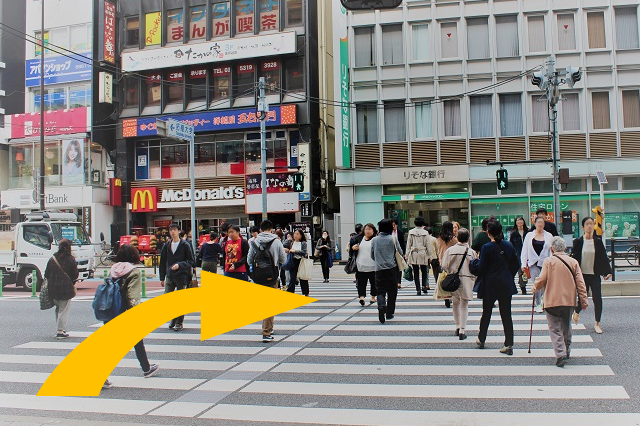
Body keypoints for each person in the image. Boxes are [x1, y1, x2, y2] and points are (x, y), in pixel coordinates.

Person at [103, 244, 160, 388]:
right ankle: (146, 369)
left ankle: (146, 368)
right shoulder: (133, 272)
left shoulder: (114, 269)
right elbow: (132, 297)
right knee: (136, 341)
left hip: (111, 311)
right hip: (125, 312)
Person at [533, 237, 589, 367]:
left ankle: (560, 354)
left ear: (551, 249)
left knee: (554, 328)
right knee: (566, 324)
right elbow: (580, 283)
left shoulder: (548, 261)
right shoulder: (573, 262)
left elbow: (541, 279)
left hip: (552, 300)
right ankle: (567, 349)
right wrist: (584, 300)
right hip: (568, 300)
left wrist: (535, 287)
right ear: (565, 248)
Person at [476, 219, 519, 355]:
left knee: (486, 312)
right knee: (506, 314)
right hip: (505, 283)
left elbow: (481, 267)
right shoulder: (509, 245)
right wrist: (508, 274)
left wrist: (474, 265)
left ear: (489, 233)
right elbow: (516, 263)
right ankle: (509, 343)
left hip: (490, 284)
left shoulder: (487, 247)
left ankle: (482, 339)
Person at [248, 220, 287, 342]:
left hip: (258, 276)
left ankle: (267, 327)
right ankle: (266, 331)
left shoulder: (254, 242)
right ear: (272, 229)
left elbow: (249, 260)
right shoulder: (277, 242)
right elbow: (283, 259)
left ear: (260, 229)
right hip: (272, 276)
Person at [571, 217, 612, 334]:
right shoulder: (578, 241)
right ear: (583, 227)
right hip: (582, 275)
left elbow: (603, 257)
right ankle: (577, 311)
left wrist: (607, 272)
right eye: (587, 224)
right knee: (583, 298)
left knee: (597, 299)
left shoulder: (598, 241)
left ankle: (597, 323)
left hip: (594, 275)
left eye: (591, 224)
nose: (589, 226)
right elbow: (574, 258)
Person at [441, 228, 477, 341]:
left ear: (457, 237)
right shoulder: (471, 252)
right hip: (466, 279)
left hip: (453, 279)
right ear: (468, 238)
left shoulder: (450, 250)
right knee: (464, 304)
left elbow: (444, 265)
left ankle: (457, 326)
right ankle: (462, 329)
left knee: (455, 303)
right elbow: (475, 268)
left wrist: (451, 271)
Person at [159, 223, 195, 332]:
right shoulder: (166, 245)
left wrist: (180, 265)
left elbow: (191, 261)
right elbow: (162, 262)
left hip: (182, 275)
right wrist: (162, 277)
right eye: (171, 230)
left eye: (174, 229)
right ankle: (173, 319)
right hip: (170, 275)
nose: (172, 232)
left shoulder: (185, 245)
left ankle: (179, 322)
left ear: (179, 231)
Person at [44, 239, 79, 340]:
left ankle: (60, 329)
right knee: (63, 310)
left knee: (58, 308)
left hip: (52, 288)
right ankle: (60, 331)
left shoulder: (52, 258)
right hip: (65, 289)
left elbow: (46, 274)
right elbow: (75, 275)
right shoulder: (70, 259)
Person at [371, 219, 403, 324]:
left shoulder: (375, 240)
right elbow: (400, 252)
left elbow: (372, 255)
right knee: (392, 291)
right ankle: (389, 313)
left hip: (379, 269)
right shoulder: (392, 238)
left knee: (380, 290)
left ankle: (381, 306)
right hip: (392, 269)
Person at [522, 216, 554, 313]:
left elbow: (552, 250)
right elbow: (525, 250)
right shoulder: (529, 235)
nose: (540, 224)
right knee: (537, 283)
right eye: (538, 222)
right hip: (533, 263)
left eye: (542, 222)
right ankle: (538, 303)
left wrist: (553, 261)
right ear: (535, 224)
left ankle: (545, 301)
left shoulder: (549, 236)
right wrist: (523, 263)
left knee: (545, 283)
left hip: (545, 263)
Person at [405, 216, 435, 296]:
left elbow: (408, 244)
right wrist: (430, 256)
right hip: (423, 253)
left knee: (416, 272)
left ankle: (418, 289)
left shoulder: (411, 232)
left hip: (414, 252)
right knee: (424, 271)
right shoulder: (425, 233)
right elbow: (428, 245)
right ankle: (424, 286)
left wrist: (407, 255)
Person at [352, 223, 378, 306]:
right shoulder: (359, 239)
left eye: (370, 229)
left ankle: (373, 297)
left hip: (373, 266)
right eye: (366, 229)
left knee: (374, 283)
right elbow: (351, 249)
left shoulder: (376, 239)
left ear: (373, 231)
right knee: (361, 283)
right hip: (361, 265)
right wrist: (353, 248)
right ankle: (361, 297)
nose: (367, 231)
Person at [437, 221, 458, 308]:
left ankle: (446, 298)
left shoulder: (438, 239)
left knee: (444, 278)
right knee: (452, 278)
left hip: (442, 260)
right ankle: (452, 295)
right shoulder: (453, 239)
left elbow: (438, 250)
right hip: (452, 260)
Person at [286, 229, 310, 296]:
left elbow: (304, 252)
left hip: (301, 261)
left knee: (302, 277)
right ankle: (290, 291)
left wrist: (295, 251)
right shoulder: (292, 243)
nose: (295, 235)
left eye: (297, 234)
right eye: (295, 234)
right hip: (293, 261)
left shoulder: (303, 243)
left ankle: (305, 292)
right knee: (292, 277)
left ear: (301, 236)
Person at [509, 216, 530, 295]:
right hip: (518, 255)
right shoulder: (514, 233)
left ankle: (522, 283)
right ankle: (523, 287)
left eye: (521, 221)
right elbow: (511, 245)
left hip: (528, 254)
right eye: (518, 221)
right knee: (521, 271)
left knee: (527, 272)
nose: (520, 222)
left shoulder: (528, 232)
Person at [392, 219, 406, 289]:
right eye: (392, 225)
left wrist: (403, 253)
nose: (393, 226)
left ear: (397, 225)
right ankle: (394, 281)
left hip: (399, 252)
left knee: (399, 267)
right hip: (391, 252)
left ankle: (398, 282)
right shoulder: (389, 233)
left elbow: (402, 243)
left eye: (394, 225)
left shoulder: (400, 232)